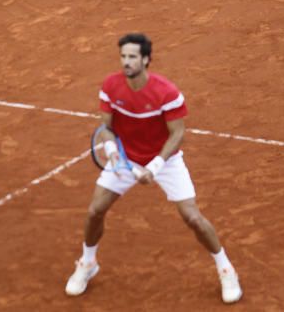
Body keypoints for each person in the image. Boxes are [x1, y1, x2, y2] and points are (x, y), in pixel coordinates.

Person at [65, 33, 243, 304]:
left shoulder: (167, 92)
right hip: (126, 159)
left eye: (132, 57)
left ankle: (226, 268)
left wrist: (155, 166)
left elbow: (177, 134)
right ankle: (88, 263)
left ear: (146, 59)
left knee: (193, 218)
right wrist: (113, 153)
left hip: (165, 160)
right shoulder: (111, 86)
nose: (126, 62)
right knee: (94, 211)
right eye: (123, 56)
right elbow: (106, 129)